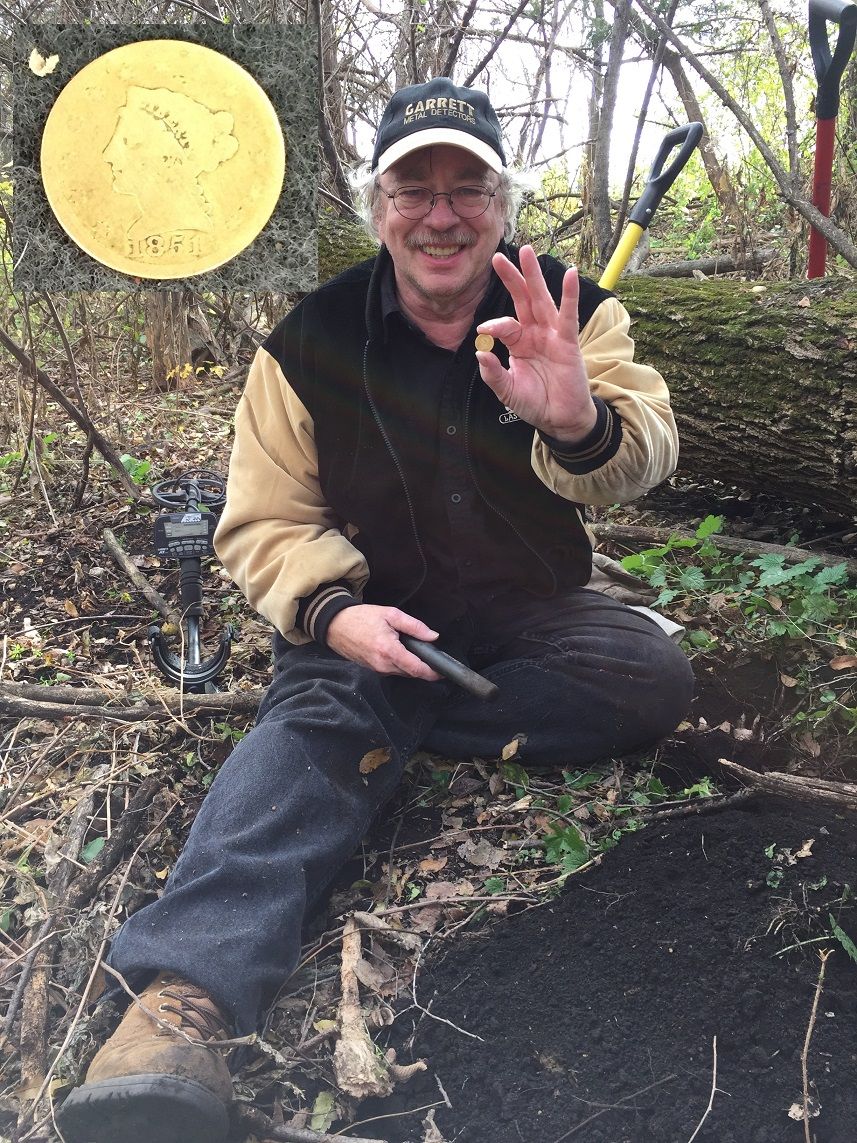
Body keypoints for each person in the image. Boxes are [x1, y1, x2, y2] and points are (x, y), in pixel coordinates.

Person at [60, 78, 694, 1143]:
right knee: (317, 714)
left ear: (502, 204)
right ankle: (178, 1006)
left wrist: (578, 418)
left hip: (525, 609)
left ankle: (376, 734)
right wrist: (334, 615)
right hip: (367, 619)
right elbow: (262, 523)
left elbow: (640, 456)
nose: (440, 215)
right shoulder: (305, 342)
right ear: (377, 206)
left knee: (650, 677)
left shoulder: (573, 310)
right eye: (413, 188)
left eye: (467, 188)